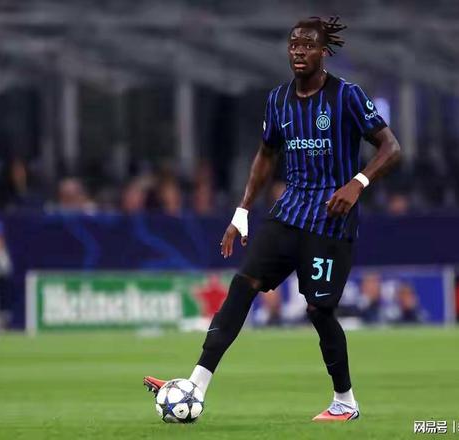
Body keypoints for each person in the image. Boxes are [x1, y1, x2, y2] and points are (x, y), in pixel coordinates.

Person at [144, 16, 401, 422]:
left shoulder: (347, 96)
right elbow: (266, 155)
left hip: (331, 221)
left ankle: (345, 402)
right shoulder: (278, 100)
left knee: (318, 310)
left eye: (308, 45)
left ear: (323, 52)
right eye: (294, 44)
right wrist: (242, 211)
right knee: (242, 284)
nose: (299, 51)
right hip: (289, 212)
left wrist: (358, 182)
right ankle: (196, 383)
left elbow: (391, 147)